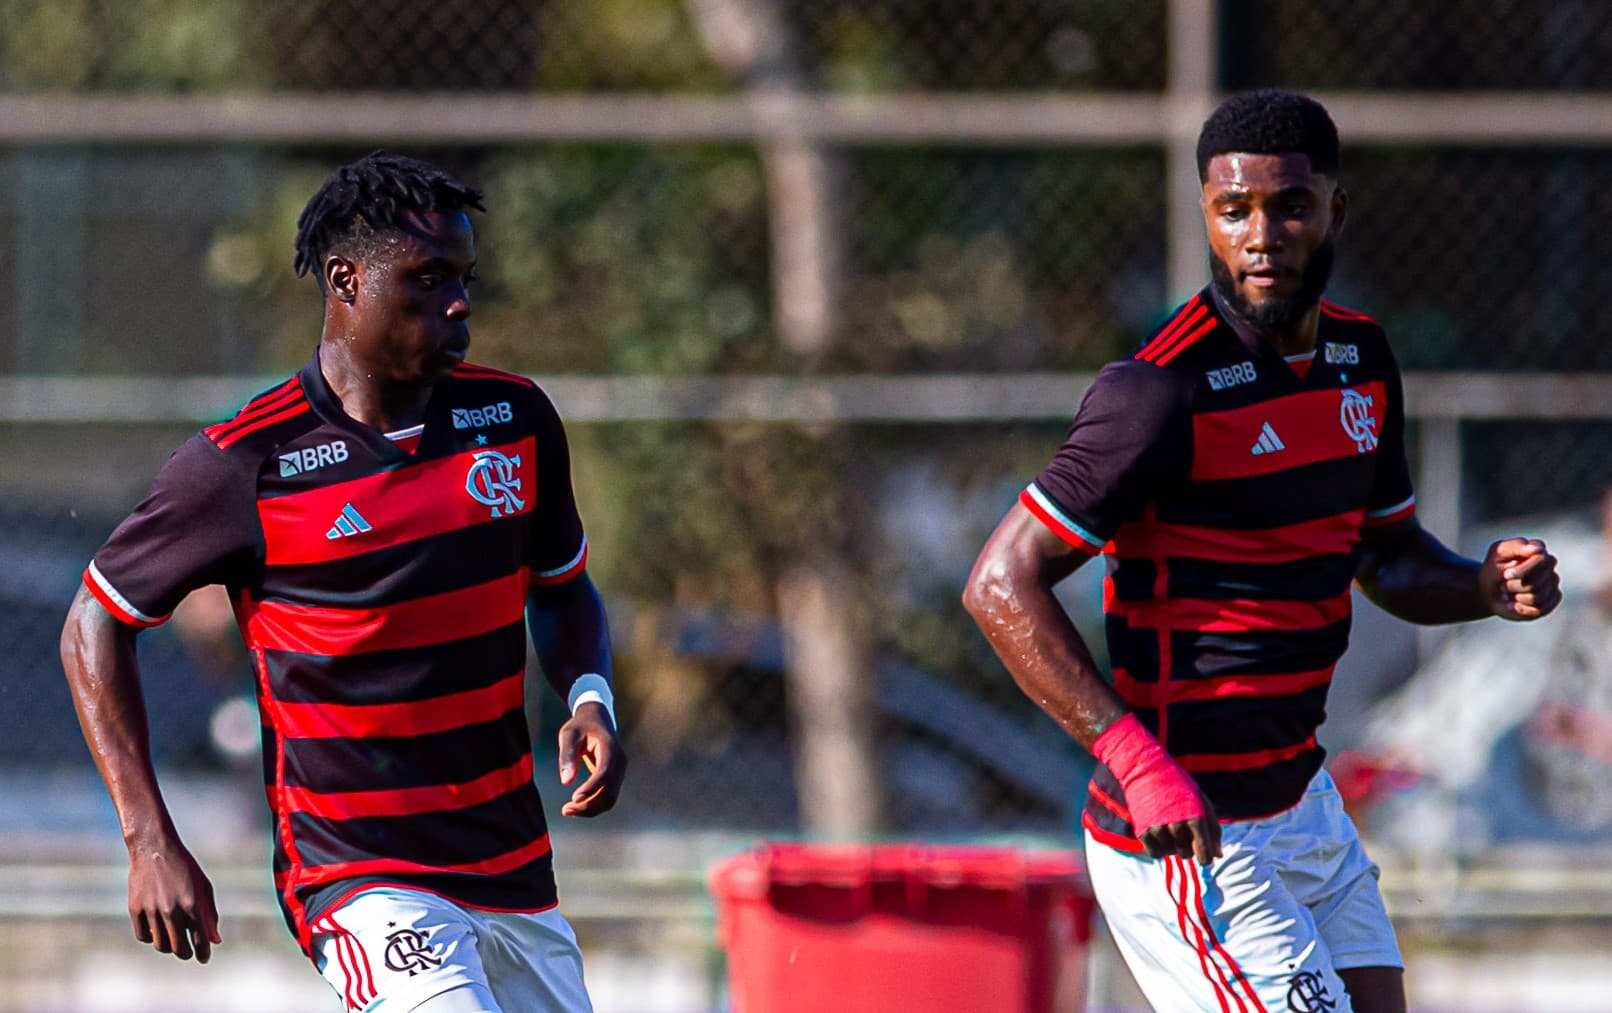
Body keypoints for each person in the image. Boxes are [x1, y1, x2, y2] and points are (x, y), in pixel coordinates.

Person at [962, 90, 1561, 1013]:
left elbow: (1386, 555)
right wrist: (1138, 760)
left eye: (1289, 206)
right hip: (1194, 830)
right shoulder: (1157, 391)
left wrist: (1481, 583)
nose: (1261, 233)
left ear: (1335, 211)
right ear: (1207, 213)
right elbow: (1001, 583)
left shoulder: (1361, 361)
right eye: (1233, 210)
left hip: (1304, 801)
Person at [60, 151, 626, 1012]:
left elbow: (561, 583)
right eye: (429, 278)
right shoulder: (244, 462)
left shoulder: (514, 420)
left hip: (512, 863)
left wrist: (590, 697)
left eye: (465, 277)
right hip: (358, 874)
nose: (459, 302)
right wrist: (149, 839)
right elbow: (93, 623)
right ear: (345, 281)